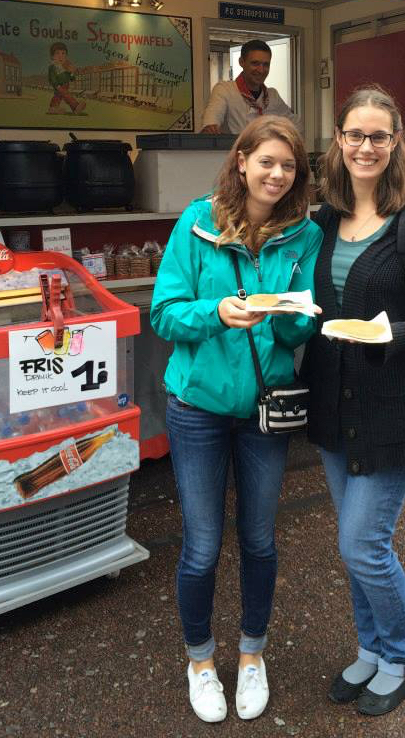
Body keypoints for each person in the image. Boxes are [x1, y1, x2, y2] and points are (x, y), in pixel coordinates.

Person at [150, 116, 322, 724]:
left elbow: (298, 330)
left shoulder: (304, 235)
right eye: (267, 161)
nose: (277, 175)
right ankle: (200, 660)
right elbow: (164, 314)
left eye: (290, 167)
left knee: (259, 539)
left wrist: (295, 316)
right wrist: (218, 312)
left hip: (263, 410)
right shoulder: (197, 224)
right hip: (196, 407)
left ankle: (252, 656)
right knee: (200, 546)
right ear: (242, 160)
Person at [302, 86, 405, 717]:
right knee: (351, 539)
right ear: (338, 140)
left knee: (363, 543)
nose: (365, 146)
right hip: (335, 408)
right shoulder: (320, 223)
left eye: (379, 136)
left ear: (397, 145)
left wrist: (388, 335)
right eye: (354, 134)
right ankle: (371, 649)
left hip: (393, 407)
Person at [201, 39, 300, 134]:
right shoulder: (225, 90)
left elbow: (297, 125)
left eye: (266, 64)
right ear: (241, 62)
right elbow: (211, 124)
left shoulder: (272, 95)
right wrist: (210, 128)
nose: (261, 70)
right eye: (255, 63)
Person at [47, 42, 86, 115]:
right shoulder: (52, 67)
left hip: (65, 86)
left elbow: (71, 78)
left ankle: (53, 108)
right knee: (67, 96)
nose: (60, 56)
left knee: (58, 97)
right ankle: (76, 106)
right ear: (52, 56)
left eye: (63, 53)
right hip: (59, 86)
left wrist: (71, 73)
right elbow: (52, 78)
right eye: (57, 53)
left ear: (66, 56)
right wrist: (57, 85)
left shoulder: (65, 67)